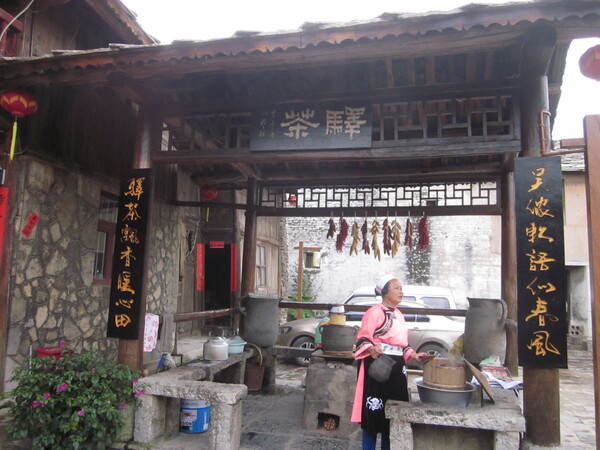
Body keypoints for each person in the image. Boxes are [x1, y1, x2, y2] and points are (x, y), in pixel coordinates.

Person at [351, 274, 427, 450]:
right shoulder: (374, 312)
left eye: (401, 288)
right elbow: (363, 338)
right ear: (384, 292)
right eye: (396, 288)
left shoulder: (399, 314)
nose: (401, 291)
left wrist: (414, 355)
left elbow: (403, 344)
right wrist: (371, 348)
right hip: (379, 366)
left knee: (392, 416)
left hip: (397, 370)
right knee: (373, 413)